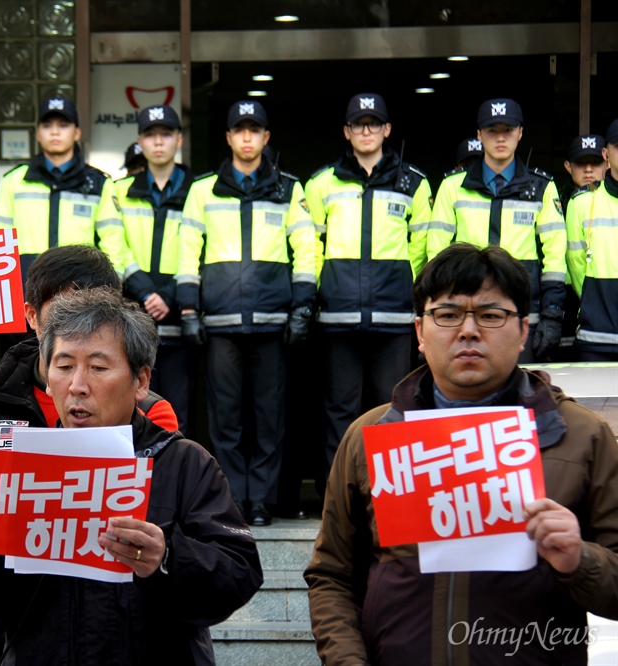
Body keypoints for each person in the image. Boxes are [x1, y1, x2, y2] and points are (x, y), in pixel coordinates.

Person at [304, 243, 618, 665]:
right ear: (419, 331)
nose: (468, 331)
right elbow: (332, 577)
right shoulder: (369, 437)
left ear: (524, 330)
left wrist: (578, 558)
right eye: (448, 315)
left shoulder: (583, 436)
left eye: (491, 315)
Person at [0, 287, 263, 665]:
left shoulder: (183, 463)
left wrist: (168, 557)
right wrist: (6, 546)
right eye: (63, 367)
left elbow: (239, 573)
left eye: (97, 367)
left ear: (141, 382)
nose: (77, 385)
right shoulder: (20, 469)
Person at [0, 245, 178, 508]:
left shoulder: (149, 412)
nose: (77, 328)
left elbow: (159, 510)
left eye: (92, 315)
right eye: (62, 314)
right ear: (32, 315)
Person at [176, 99, 319, 525]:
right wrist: (188, 308)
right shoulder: (202, 190)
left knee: (269, 417)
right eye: (239, 130)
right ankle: (233, 498)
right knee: (226, 419)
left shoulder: (289, 189)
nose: (246, 137)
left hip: (272, 319)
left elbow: (307, 250)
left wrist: (303, 305)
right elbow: (188, 250)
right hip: (220, 320)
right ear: (228, 137)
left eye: (254, 130)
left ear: (265, 137)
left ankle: (261, 500)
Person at [304, 93, 431, 468]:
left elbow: (421, 249)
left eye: (373, 123)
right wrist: (315, 295)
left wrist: (411, 296)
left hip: (393, 317)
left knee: (392, 406)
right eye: (358, 124)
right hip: (339, 315)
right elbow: (311, 247)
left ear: (387, 129)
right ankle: (338, 494)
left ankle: (388, 495)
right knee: (339, 411)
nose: (366, 130)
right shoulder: (321, 184)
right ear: (346, 131)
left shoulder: (415, 183)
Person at [427, 98, 567, 362]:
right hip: (465, 315)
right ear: (479, 135)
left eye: (508, 130)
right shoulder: (452, 187)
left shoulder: (542, 188)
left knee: (521, 395)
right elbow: (436, 254)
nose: (500, 138)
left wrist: (552, 314)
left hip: (520, 313)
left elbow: (556, 257)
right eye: (492, 131)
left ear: (520, 133)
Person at [113, 105, 195, 434]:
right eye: (150, 135)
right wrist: (147, 292)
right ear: (140, 141)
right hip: (132, 316)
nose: (158, 142)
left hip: (179, 320)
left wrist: (171, 295)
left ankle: (175, 483)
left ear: (179, 140)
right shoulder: (117, 190)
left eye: (165, 134)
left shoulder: (200, 190)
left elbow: (203, 249)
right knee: (127, 410)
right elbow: (112, 245)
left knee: (178, 412)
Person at [0, 96, 131, 283]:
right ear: (38, 134)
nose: (55, 132)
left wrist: (110, 286)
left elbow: (113, 240)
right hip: (24, 286)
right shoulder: (14, 181)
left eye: (63, 125)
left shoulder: (98, 183)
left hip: (80, 290)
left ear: (77, 133)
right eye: (47, 126)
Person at [565, 118, 618, 362]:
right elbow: (575, 265)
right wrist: (592, 303)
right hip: (595, 335)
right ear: (607, 154)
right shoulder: (581, 203)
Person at [561, 133, 607, 211]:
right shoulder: (556, 199)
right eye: (580, 163)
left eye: (596, 162)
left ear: (608, 164)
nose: (588, 169)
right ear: (568, 166)